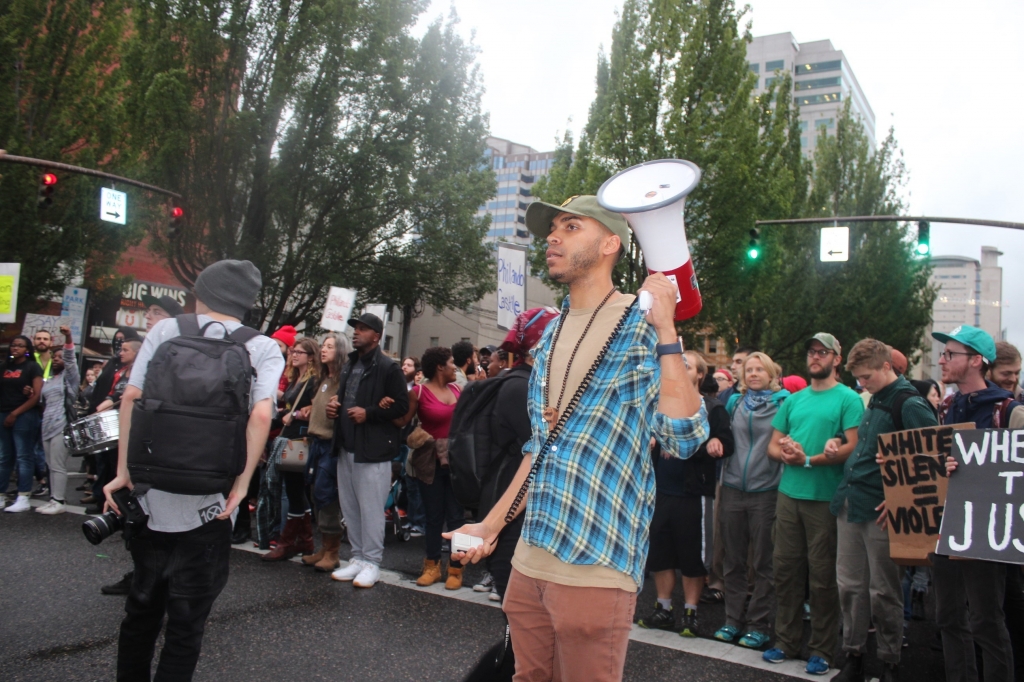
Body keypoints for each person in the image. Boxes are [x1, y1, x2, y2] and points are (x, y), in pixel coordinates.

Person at [448, 194, 708, 682]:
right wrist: (490, 525)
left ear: (610, 243)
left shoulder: (641, 324)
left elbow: (684, 436)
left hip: (595, 564)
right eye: (552, 230)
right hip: (529, 560)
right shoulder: (550, 334)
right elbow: (539, 448)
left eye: (570, 227)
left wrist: (667, 327)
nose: (552, 237)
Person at [102, 259, 282, 681]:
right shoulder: (263, 346)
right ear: (246, 304)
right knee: (186, 624)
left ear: (201, 292)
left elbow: (131, 396)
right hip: (211, 500)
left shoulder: (166, 330)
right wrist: (240, 486)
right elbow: (260, 417)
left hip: (153, 492)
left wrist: (126, 471)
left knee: (141, 612)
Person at [830, 339, 937, 682]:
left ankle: (890, 659)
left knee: (884, 590)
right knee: (850, 587)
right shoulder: (876, 398)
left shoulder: (910, 403)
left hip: (882, 510)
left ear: (886, 366)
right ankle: (854, 655)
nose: (862, 384)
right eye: (858, 378)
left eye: (866, 376)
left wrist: (902, 499)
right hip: (852, 502)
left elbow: (931, 460)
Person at [762, 332, 864, 676]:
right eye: (811, 351)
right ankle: (786, 641)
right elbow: (773, 447)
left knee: (822, 578)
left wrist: (812, 459)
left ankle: (822, 649)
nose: (815, 356)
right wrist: (788, 454)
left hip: (825, 499)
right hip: (789, 495)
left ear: (837, 359)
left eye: (823, 352)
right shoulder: (794, 400)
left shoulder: (848, 399)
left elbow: (854, 444)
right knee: (786, 571)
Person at [933, 325, 1020, 682]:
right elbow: (935, 458)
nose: (942, 360)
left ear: (976, 361)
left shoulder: (1008, 411)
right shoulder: (947, 406)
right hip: (947, 525)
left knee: (986, 619)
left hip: (986, 532)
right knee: (949, 617)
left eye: (950, 354)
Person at [639, 350, 733, 637]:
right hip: (660, 491)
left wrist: (702, 446)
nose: (680, 368)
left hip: (693, 493)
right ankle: (664, 609)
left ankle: (690, 612)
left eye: (687, 365)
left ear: (700, 375)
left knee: (692, 557)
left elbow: (725, 443)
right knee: (660, 555)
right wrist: (652, 441)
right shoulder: (660, 405)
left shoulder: (712, 407)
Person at [712, 351, 789, 649]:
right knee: (733, 560)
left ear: (772, 375)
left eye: (760, 369)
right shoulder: (734, 402)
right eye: (749, 369)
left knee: (763, 562)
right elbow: (721, 434)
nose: (754, 373)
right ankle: (732, 620)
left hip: (767, 490)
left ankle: (758, 624)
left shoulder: (784, 404)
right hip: (732, 488)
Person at [326, 312, 409, 589]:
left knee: (371, 509)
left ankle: (373, 562)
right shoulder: (350, 364)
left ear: (376, 335)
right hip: (347, 446)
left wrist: (369, 413)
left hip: (373, 450)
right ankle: (358, 558)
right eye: (355, 328)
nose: (356, 332)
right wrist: (335, 406)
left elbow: (401, 407)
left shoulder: (388, 367)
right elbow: (347, 397)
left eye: (363, 329)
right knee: (350, 507)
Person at [395, 346, 467, 589]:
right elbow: (402, 421)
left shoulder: (458, 389)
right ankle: (432, 566)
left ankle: (456, 569)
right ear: (439, 367)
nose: (454, 367)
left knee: (457, 518)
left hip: (457, 462)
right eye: (450, 363)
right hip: (430, 463)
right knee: (434, 517)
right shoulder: (419, 391)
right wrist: (386, 403)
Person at [262, 336, 321, 561]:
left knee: (294, 489)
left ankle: (287, 542)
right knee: (294, 489)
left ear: (310, 356)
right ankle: (305, 540)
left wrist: (294, 414)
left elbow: (316, 408)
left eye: (299, 352)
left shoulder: (313, 381)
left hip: (300, 441)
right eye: (292, 351)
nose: (293, 354)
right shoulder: (297, 378)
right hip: (289, 438)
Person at [299, 333, 350, 572]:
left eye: (330, 346)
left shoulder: (343, 380)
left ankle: (333, 551)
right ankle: (323, 547)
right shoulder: (324, 379)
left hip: (329, 446)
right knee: (315, 494)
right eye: (323, 346)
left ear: (340, 351)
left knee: (326, 495)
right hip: (315, 443)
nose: (323, 349)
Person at [35, 325, 80, 515]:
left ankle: (59, 500)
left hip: (62, 426)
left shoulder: (69, 377)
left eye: (59, 357)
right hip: (46, 425)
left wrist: (68, 336)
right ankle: (53, 498)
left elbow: (70, 358)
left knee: (59, 465)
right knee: (51, 465)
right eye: (54, 357)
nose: (56, 360)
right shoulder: (50, 379)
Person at [0, 336, 44, 512]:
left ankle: (23, 496)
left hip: (24, 415)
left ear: (27, 349)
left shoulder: (32, 367)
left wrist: (15, 413)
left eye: (20, 346)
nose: (15, 348)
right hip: (3, 413)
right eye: (13, 345)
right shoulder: (4, 367)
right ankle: (1, 495)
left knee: (24, 456)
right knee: (4, 457)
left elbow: (36, 396)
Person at [95, 340, 141, 414]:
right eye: (121, 350)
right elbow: (114, 392)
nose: (121, 353)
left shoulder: (141, 374)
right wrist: (110, 400)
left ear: (136, 352)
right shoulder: (120, 373)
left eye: (125, 350)